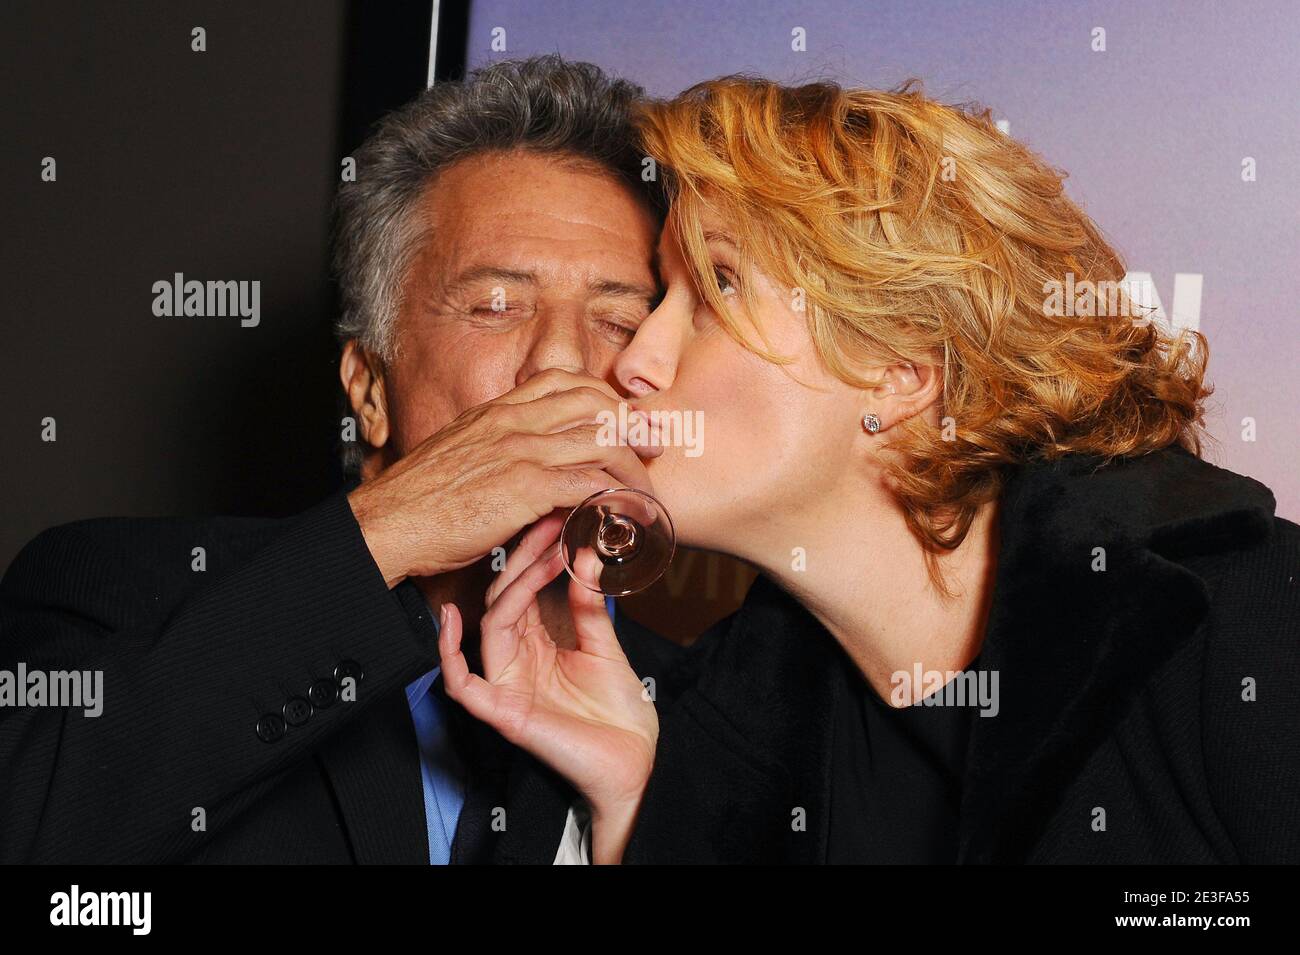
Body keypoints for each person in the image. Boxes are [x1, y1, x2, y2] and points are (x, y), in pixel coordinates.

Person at [440, 76, 1300, 863]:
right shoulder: (715, 723)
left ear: (900, 368)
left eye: (716, 289)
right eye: (660, 296)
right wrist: (640, 812)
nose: (636, 361)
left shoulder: (1245, 621)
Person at [0, 56, 679, 865]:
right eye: (497, 305)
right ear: (369, 389)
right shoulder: (121, 590)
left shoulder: (700, 711)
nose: (563, 365)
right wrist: (391, 530)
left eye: (620, 319)